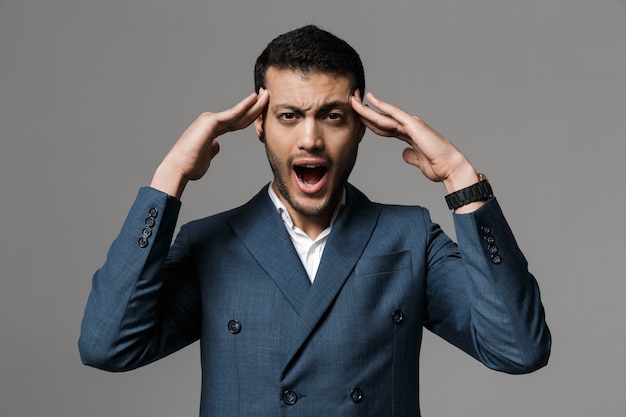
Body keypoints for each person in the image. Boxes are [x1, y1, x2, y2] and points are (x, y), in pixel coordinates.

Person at [79, 25, 550, 416]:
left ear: (362, 124)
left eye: (332, 116)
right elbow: (108, 346)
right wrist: (169, 179)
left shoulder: (410, 238)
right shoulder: (210, 242)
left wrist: (460, 178)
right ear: (259, 124)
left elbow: (518, 349)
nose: (310, 139)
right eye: (288, 116)